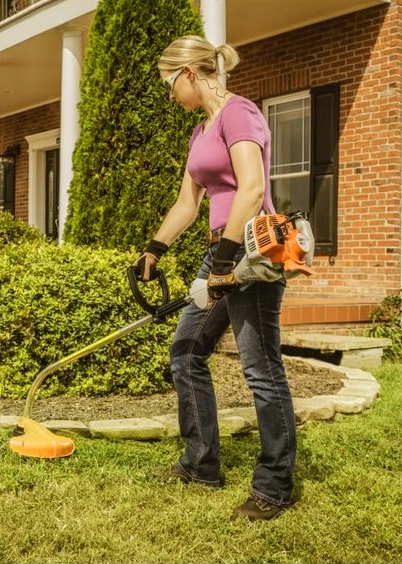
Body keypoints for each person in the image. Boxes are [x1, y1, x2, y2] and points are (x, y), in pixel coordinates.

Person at [134, 35, 296, 521]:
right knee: (186, 351)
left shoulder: (239, 113)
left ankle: (275, 486)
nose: (169, 96)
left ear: (188, 73)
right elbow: (189, 203)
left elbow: (252, 189)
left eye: (169, 84)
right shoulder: (202, 130)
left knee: (260, 369)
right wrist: (154, 249)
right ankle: (201, 463)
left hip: (253, 252)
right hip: (220, 253)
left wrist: (226, 262)